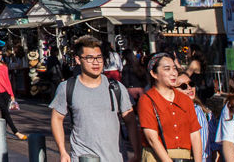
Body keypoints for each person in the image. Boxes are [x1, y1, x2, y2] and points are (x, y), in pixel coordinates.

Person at [50, 34, 140, 162]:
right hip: (83, 157)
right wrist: (62, 151)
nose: (96, 62)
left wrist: (137, 152)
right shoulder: (67, 87)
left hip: (115, 158)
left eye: (99, 57)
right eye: (89, 58)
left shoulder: (116, 87)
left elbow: (130, 121)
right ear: (78, 60)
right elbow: (57, 118)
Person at [137, 53, 202, 162]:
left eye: (174, 68)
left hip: (185, 157)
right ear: (154, 74)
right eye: (167, 69)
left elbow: (195, 134)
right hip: (156, 157)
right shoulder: (147, 100)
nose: (173, 73)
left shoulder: (185, 100)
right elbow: (152, 139)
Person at [176, 72, 216, 162]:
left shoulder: (205, 113)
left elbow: (213, 145)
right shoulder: (173, 114)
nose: (189, 88)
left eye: (191, 84)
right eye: (183, 86)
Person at [0, 48, 27, 141]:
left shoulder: (4, 66)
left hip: (4, 92)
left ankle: (2, 132)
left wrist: (11, 94)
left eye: (1, 54)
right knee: (4, 110)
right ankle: (16, 132)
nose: (0, 56)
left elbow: (7, 81)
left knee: (4, 113)